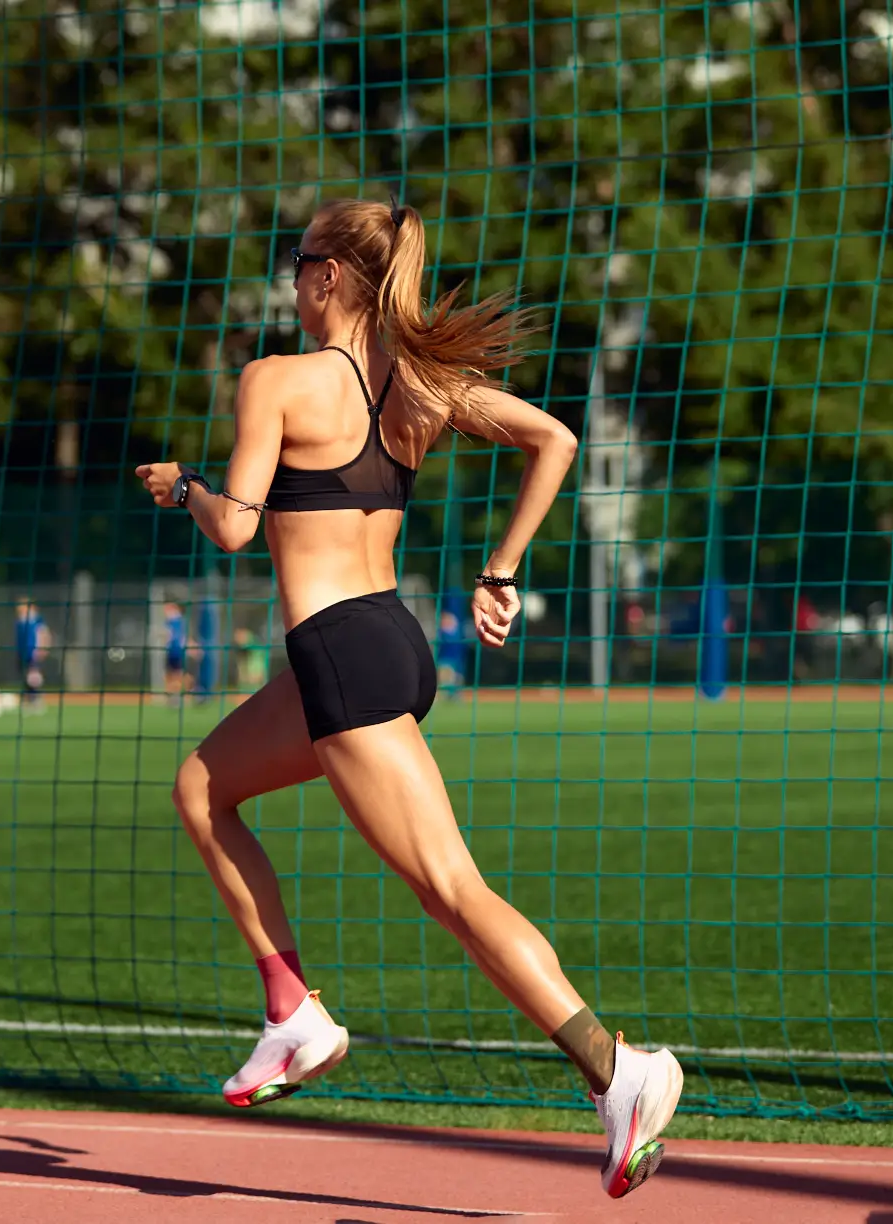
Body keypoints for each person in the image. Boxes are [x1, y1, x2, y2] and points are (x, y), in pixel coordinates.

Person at [134, 197, 680, 1200]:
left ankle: (620, 1071)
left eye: (295, 261)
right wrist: (501, 570)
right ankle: (292, 1010)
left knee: (451, 891)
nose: (289, 278)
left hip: (342, 657)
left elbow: (236, 529)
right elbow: (555, 440)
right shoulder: (419, 381)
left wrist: (183, 490)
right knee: (202, 786)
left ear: (330, 276)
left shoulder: (276, 381)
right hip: (378, 641)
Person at [14, 598, 50, 711]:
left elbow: (44, 634)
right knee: (25, 675)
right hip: (23, 652)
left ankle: (36, 698)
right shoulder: (20, 621)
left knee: (34, 676)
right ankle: (28, 698)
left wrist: (43, 648)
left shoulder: (37, 620)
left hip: (34, 652)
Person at [161, 600, 194, 700]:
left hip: (177, 650)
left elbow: (180, 636)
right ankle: (171, 694)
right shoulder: (170, 621)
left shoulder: (178, 621)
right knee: (171, 673)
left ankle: (189, 690)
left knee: (178, 674)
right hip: (171, 650)